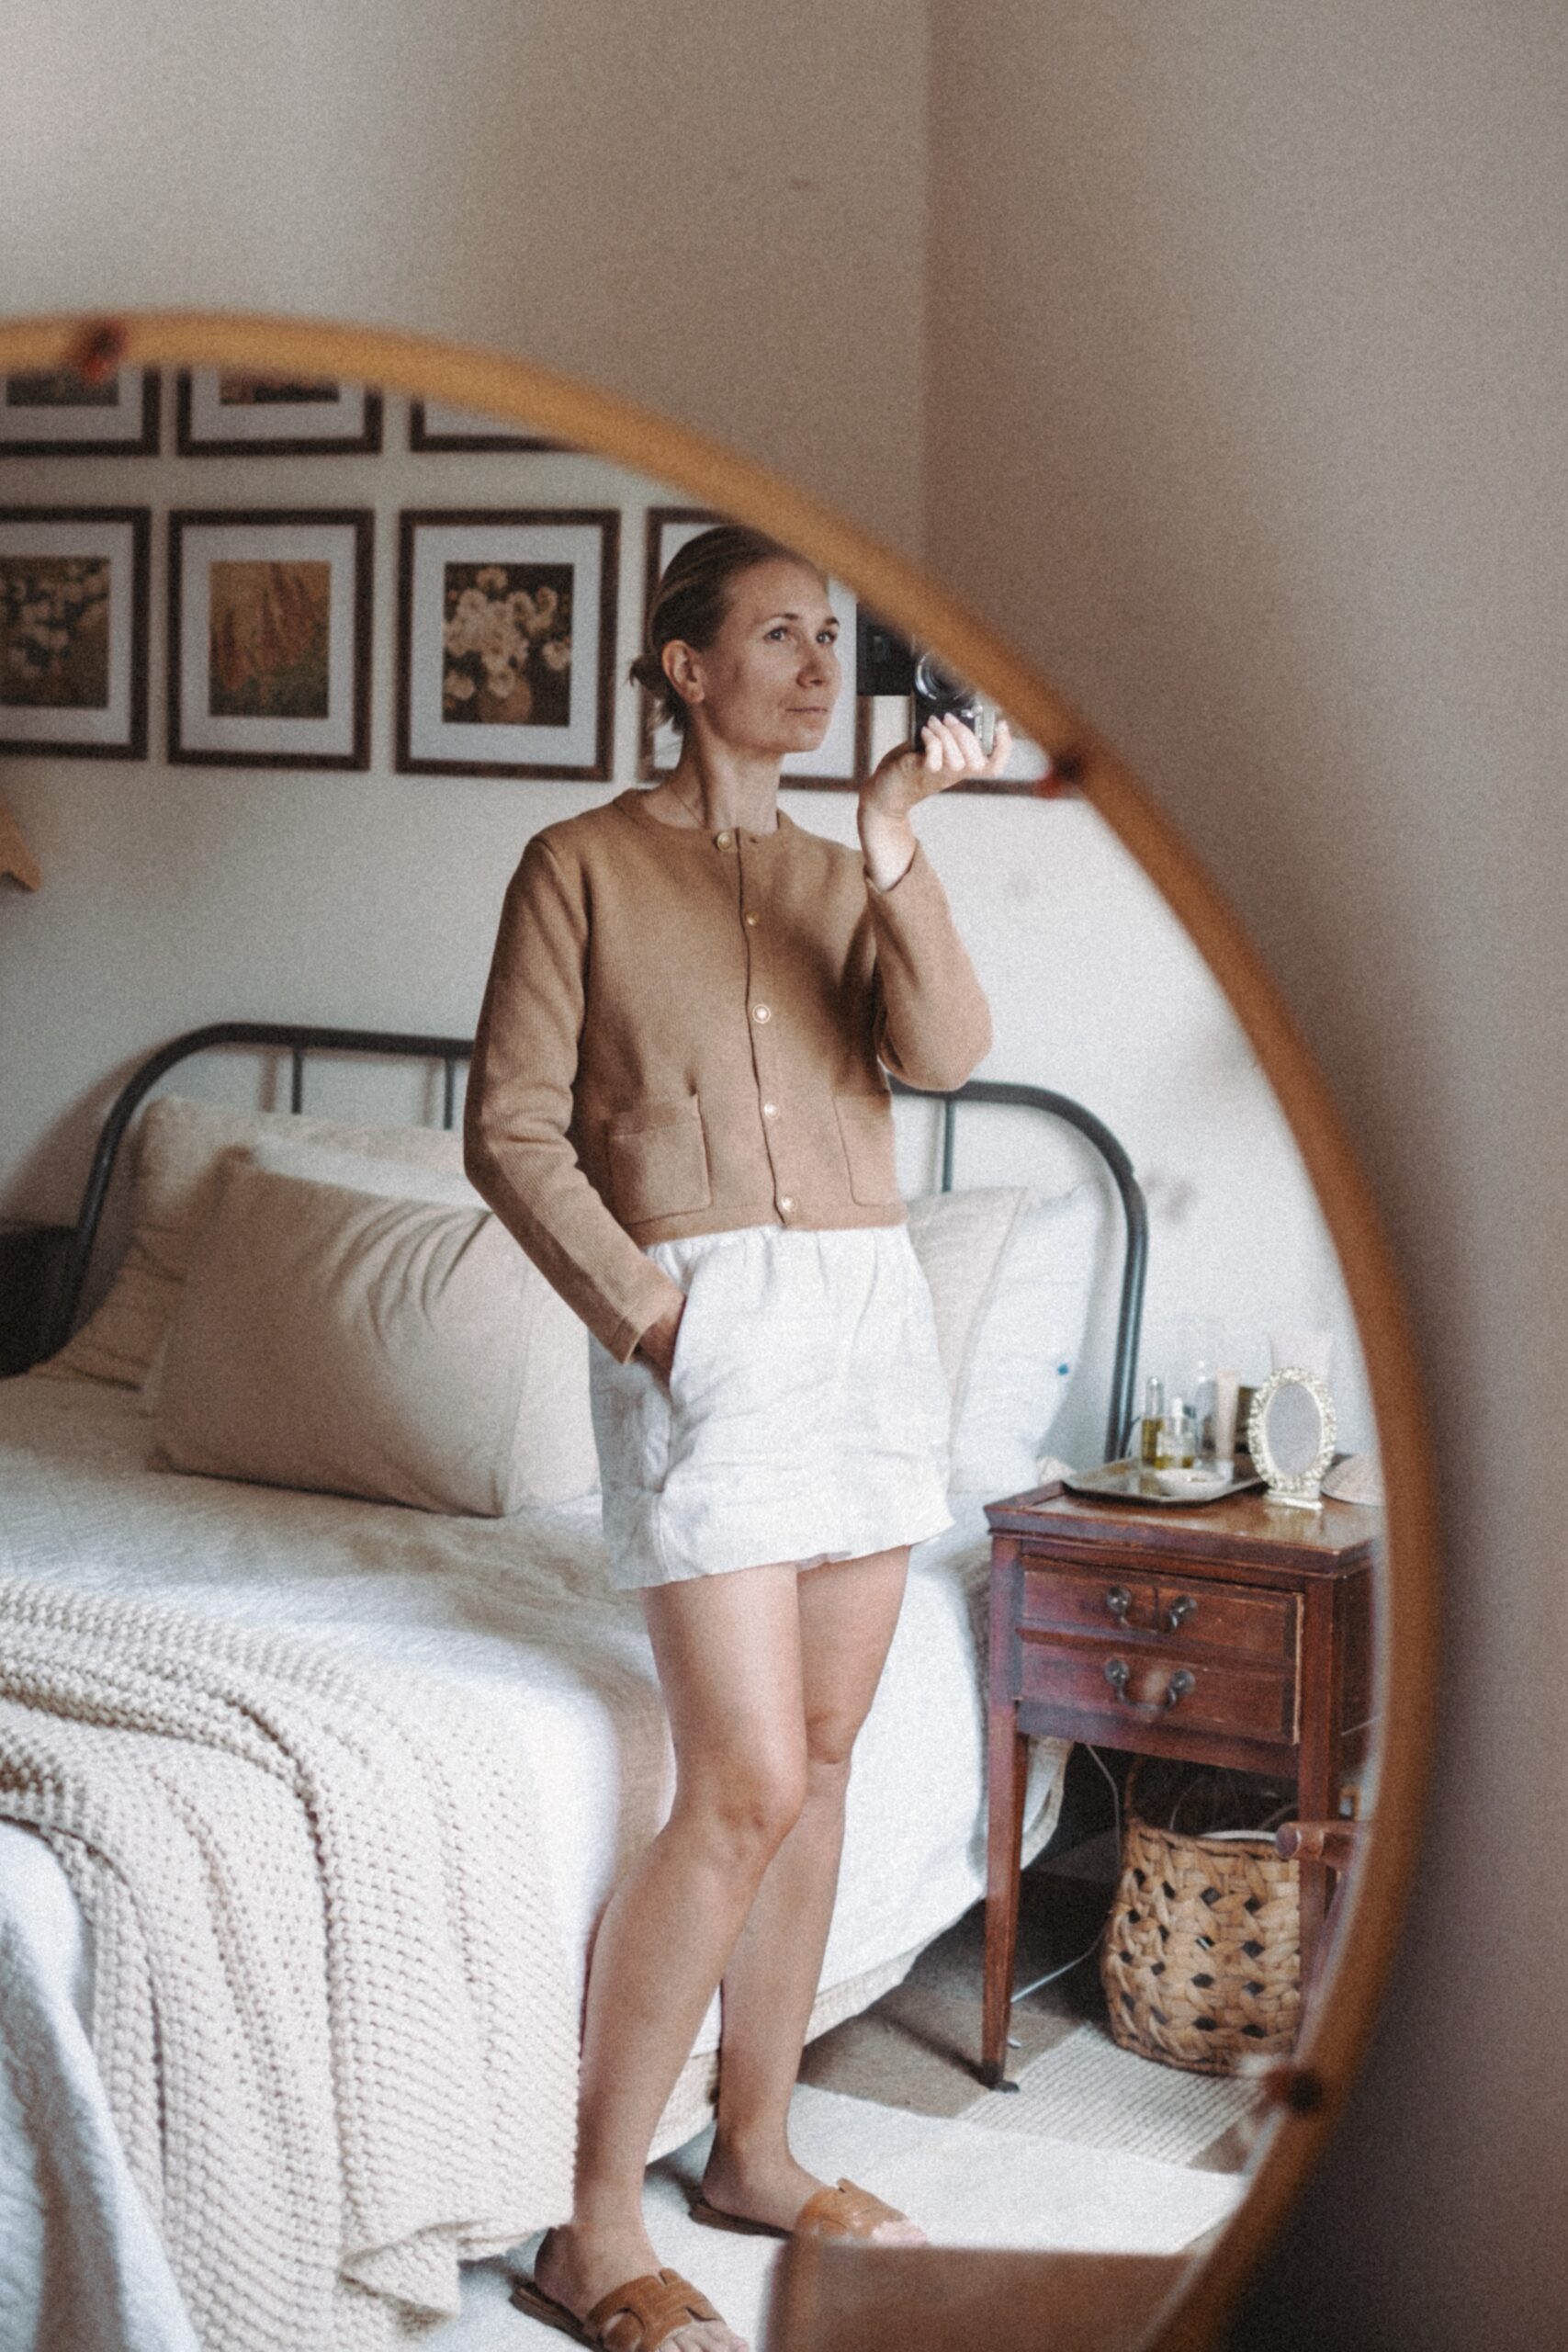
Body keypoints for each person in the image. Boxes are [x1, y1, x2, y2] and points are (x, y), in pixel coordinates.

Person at [465, 525, 1012, 2352]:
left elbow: (940, 1049)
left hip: (866, 1322)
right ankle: (589, 2215)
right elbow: (510, 1129)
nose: (812, 658)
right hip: (703, 1331)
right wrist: (652, 1312)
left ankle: (755, 2145)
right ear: (684, 666)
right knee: (744, 1777)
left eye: (828, 633)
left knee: (833, 1754)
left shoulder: (831, 867)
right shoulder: (577, 867)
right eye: (773, 631)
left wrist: (890, 840)